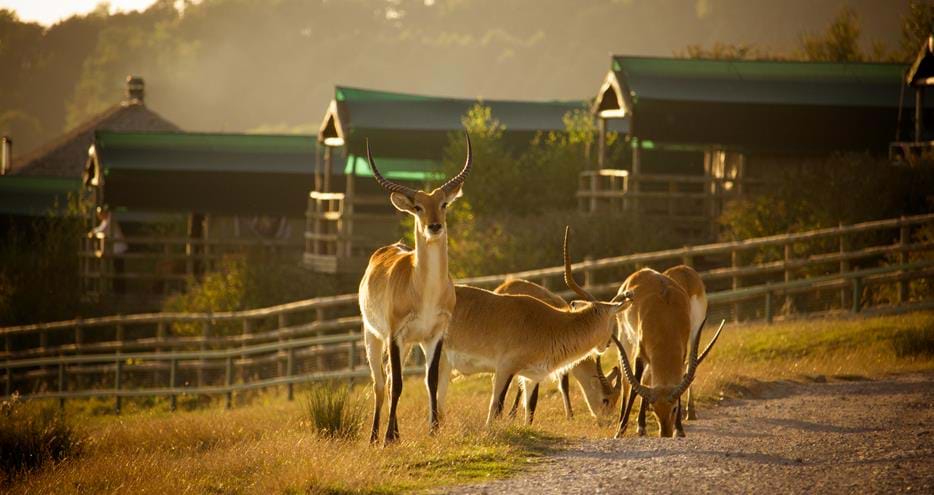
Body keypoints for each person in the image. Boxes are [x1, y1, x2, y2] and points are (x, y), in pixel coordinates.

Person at [90, 206, 128, 294]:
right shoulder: (106, 220)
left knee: (119, 269)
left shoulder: (110, 219)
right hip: (117, 249)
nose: (99, 216)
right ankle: (118, 289)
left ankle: (120, 290)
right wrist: (94, 231)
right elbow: (101, 228)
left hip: (119, 249)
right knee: (117, 269)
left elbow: (103, 229)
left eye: (100, 214)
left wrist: (93, 232)